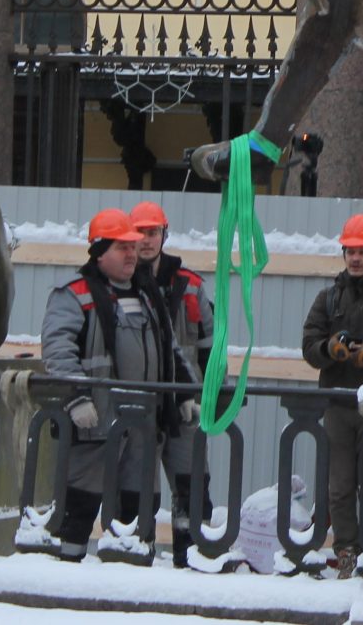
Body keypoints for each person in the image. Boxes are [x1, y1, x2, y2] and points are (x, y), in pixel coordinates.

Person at [41, 208, 187, 562]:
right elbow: (58, 351)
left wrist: (184, 393)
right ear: (99, 251)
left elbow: (171, 351)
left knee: (139, 511)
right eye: (122, 247)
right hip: (94, 427)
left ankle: (128, 583)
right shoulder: (73, 295)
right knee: (78, 508)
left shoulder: (148, 295)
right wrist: (76, 398)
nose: (131, 254)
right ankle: (64, 577)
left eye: (133, 247)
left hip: (142, 429)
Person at [301, 213, 363, 578]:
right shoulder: (328, 297)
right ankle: (346, 553)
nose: (355, 259)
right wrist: (330, 350)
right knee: (339, 487)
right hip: (338, 405)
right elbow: (308, 345)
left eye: (362, 251)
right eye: (350, 252)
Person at [131, 199, 214, 568]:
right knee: (135, 492)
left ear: (165, 234)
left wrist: (213, 396)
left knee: (192, 487)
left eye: (153, 232)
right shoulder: (122, 285)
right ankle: (133, 559)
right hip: (140, 406)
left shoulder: (191, 286)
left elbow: (211, 348)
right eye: (139, 232)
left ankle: (193, 557)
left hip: (187, 407)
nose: (146, 240)